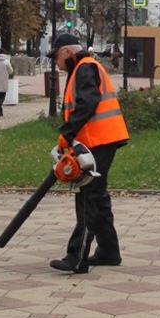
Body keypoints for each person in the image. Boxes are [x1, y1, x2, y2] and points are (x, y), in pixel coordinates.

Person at [46, 32, 129, 274]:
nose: (56, 63)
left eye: (56, 58)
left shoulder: (84, 67)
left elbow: (88, 102)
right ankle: (109, 252)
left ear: (67, 53)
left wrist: (67, 133)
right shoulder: (83, 67)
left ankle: (77, 258)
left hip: (99, 139)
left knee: (87, 196)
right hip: (102, 138)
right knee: (97, 196)